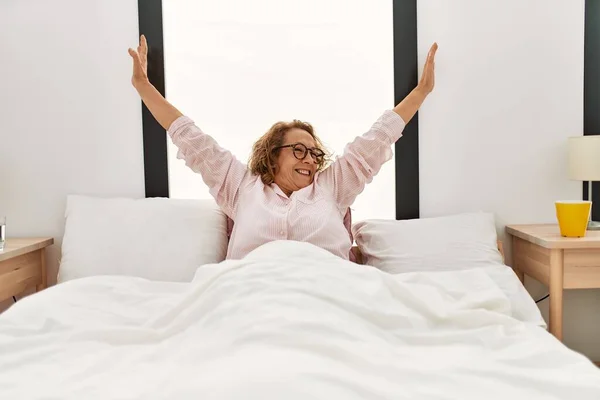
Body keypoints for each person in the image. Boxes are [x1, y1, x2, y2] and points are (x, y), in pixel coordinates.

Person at [128, 35, 437, 261]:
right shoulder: (240, 187)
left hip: (329, 292)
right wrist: (144, 87)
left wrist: (422, 92)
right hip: (252, 292)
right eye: (298, 150)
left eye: (315, 153)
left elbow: (379, 137)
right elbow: (192, 139)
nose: (310, 160)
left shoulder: (332, 186)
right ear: (273, 155)